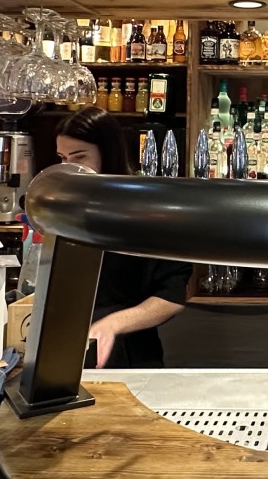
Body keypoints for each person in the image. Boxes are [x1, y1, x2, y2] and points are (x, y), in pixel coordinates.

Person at [50, 108, 188, 368]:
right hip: (69, 346)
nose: (70, 168)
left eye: (80, 157)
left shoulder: (149, 212)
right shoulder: (64, 211)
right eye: (62, 158)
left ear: (108, 152)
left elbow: (171, 297)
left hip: (130, 354)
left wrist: (112, 324)